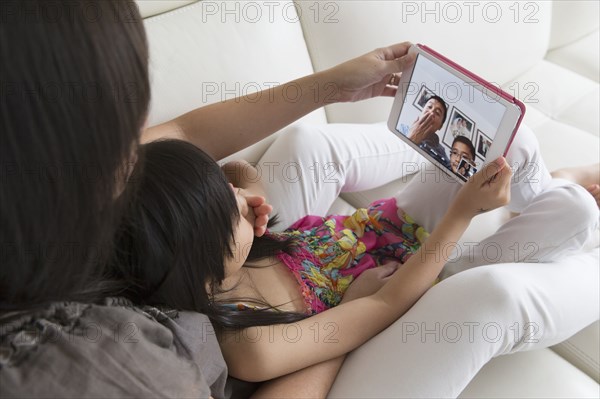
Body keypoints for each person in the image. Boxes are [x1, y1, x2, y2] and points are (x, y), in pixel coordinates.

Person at [1, 1, 598, 398]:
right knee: (500, 284)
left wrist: (252, 182)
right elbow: (377, 306)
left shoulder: (160, 241)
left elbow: (182, 143)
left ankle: (521, 181)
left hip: (327, 277)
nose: (133, 143)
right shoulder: (122, 365)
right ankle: (552, 209)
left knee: (319, 142)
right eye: (116, 141)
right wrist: (342, 320)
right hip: (353, 315)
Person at [110, 125, 598, 390]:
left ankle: (536, 194)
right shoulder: (250, 344)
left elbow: (244, 178)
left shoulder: (235, 257)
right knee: (575, 210)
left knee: (513, 141)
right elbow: (381, 308)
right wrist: (463, 214)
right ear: (201, 254)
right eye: (231, 211)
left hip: (390, 228)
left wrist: (240, 189)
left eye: (230, 193)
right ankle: (547, 203)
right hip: (414, 284)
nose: (245, 200)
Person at [399, 96, 451, 168]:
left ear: (440, 126)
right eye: (429, 107)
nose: (431, 113)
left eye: (437, 113)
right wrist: (411, 138)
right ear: (422, 110)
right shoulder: (401, 129)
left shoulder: (441, 154)